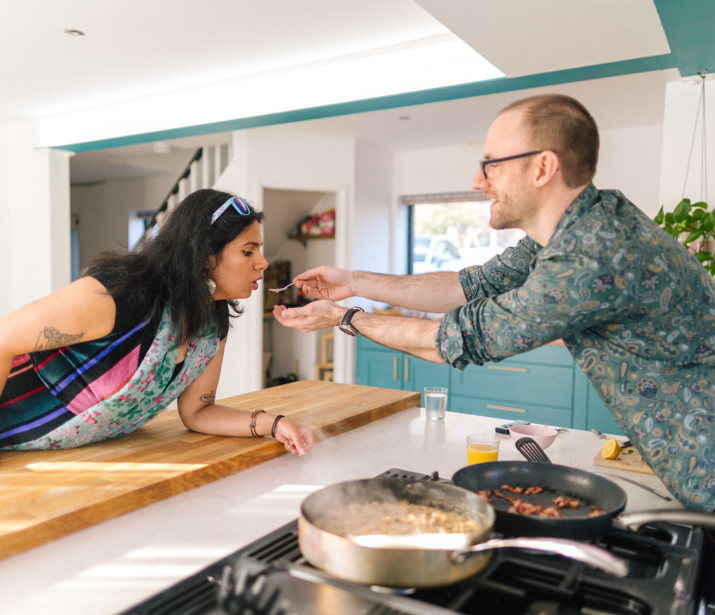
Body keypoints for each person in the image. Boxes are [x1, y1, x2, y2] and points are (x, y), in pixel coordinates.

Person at [274, 94, 715, 511]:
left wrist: (343, 318)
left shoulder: (591, 257)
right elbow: (466, 286)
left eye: (491, 165)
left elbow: (448, 340)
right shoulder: (579, 226)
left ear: (543, 167)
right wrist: (352, 282)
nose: (476, 181)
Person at [0, 189, 313, 456]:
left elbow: (198, 412)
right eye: (248, 251)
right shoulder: (121, 295)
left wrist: (274, 424)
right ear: (203, 255)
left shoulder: (211, 321)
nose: (263, 263)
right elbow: (4, 338)